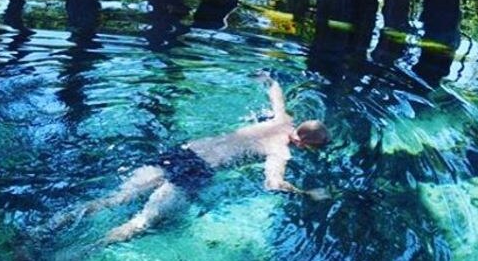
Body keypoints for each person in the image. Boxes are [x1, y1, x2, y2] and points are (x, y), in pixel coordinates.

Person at [49, 73, 331, 244]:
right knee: (140, 224)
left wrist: (267, 78)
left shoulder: (283, 118)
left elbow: (275, 92)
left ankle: (42, 230)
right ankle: (78, 254)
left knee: (113, 200)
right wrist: (307, 193)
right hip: (197, 170)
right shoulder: (280, 150)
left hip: (182, 152)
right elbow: (273, 184)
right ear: (303, 144)